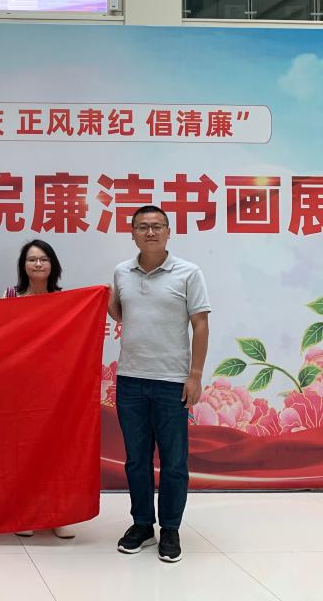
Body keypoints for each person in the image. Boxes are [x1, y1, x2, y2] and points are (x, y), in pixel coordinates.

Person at [109, 205, 210, 563]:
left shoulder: (188, 273)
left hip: (171, 381)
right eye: (142, 227)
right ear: (132, 233)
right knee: (136, 460)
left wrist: (194, 375)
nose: (150, 232)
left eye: (157, 226)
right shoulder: (122, 272)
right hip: (131, 379)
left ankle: (170, 528)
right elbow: (120, 312)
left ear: (168, 232)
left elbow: (200, 324)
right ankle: (142, 524)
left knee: (173, 462)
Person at [3, 239, 74, 540]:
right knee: (23, 451)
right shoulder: (10, 296)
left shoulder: (66, 300)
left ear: (52, 264)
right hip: (20, 386)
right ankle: (26, 513)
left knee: (56, 449)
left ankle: (60, 514)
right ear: (23, 265)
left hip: (56, 385)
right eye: (32, 259)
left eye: (44, 259)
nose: (38, 264)